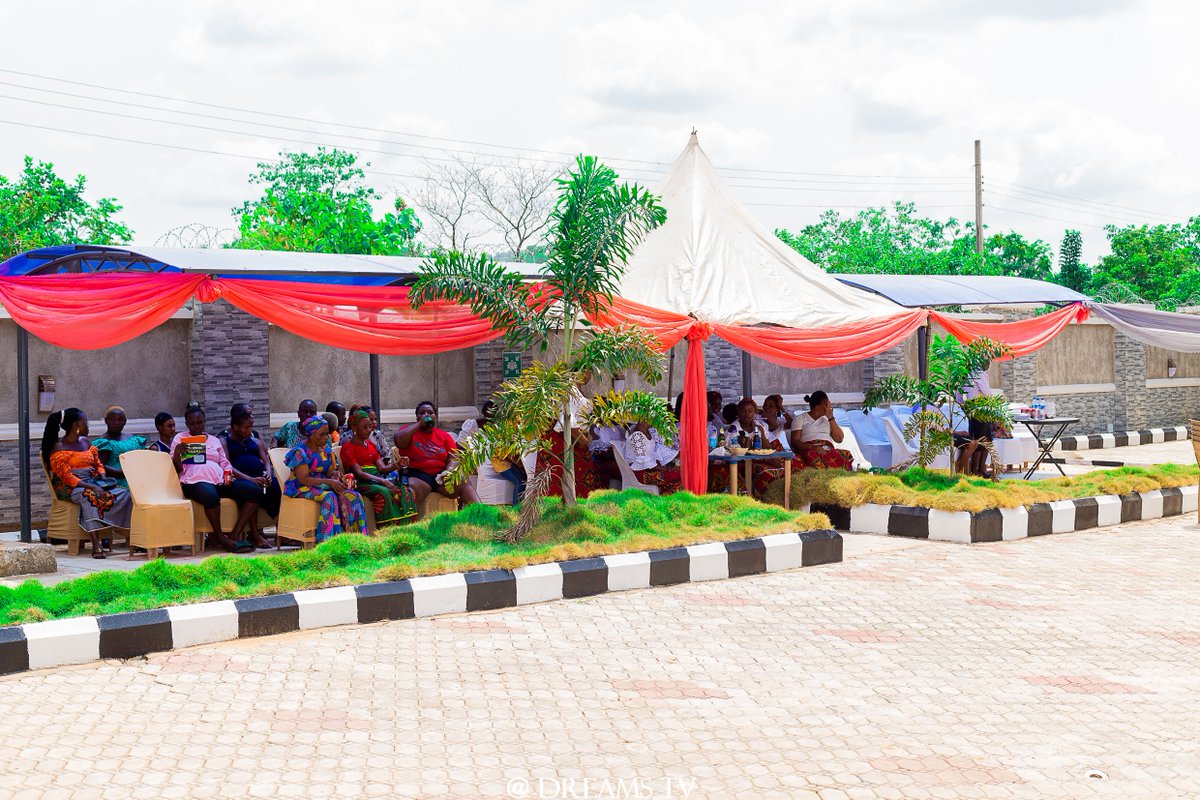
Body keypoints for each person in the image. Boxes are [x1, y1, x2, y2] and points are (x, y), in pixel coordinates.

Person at [41, 408, 133, 558]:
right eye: (85, 423)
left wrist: (103, 478)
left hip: (93, 481)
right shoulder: (59, 448)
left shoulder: (85, 442)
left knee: (125, 493)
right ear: (76, 425)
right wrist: (92, 486)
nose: (88, 426)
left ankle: (130, 537)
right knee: (89, 497)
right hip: (70, 487)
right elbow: (67, 478)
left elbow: (98, 464)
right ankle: (96, 544)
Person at [171, 404, 263, 553]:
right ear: (187, 424)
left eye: (200, 422)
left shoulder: (214, 440)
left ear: (204, 421)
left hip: (219, 480)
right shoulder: (180, 438)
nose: (196, 426)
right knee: (210, 496)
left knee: (254, 491)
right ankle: (220, 536)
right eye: (192, 423)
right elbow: (178, 469)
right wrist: (177, 454)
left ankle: (234, 533)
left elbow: (225, 463)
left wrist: (227, 475)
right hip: (194, 481)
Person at [284, 414, 368, 541]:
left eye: (327, 434)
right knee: (330, 497)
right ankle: (328, 540)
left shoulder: (324, 449)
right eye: (321, 435)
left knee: (354, 495)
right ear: (311, 435)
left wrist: (337, 475)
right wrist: (329, 481)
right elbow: (303, 479)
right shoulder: (300, 452)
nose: (326, 437)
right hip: (303, 487)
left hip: (323, 484)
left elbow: (329, 471)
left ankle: (356, 538)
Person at [393, 400, 480, 511]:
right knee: (412, 488)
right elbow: (399, 441)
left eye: (430, 413)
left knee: (464, 482)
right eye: (422, 413)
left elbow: (454, 457)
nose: (426, 415)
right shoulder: (408, 431)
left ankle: (482, 515)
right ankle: (414, 524)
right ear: (417, 417)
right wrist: (419, 424)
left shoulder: (444, 436)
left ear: (435, 416)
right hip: (417, 475)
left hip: (440, 475)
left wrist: (448, 471)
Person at [340, 409, 417, 526]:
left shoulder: (370, 445)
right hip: (362, 482)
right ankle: (388, 526)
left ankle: (406, 523)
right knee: (383, 491)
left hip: (377, 478)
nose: (369, 430)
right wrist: (384, 481)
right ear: (354, 428)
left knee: (406, 489)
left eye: (370, 426)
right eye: (364, 427)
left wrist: (398, 464)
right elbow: (359, 473)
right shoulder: (348, 448)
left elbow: (382, 468)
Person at [220, 408, 280, 545]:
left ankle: (283, 533)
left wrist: (268, 475)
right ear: (235, 427)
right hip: (240, 480)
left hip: (259, 479)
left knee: (279, 488)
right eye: (246, 427)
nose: (249, 430)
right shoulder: (225, 442)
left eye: (251, 427)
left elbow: (266, 462)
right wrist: (250, 479)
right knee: (253, 491)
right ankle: (254, 533)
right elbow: (227, 465)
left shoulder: (255, 441)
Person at [789, 391, 854, 470]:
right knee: (813, 456)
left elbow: (839, 439)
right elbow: (795, 441)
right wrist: (812, 447)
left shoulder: (828, 419)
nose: (829, 407)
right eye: (826, 404)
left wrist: (830, 417)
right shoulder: (800, 418)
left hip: (827, 448)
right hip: (809, 449)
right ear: (817, 406)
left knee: (844, 454)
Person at [91, 406, 147, 487]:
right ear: (106, 421)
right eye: (113, 419)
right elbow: (100, 466)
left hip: (138, 477)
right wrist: (124, 473)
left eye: (120, 420)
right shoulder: (103, 442)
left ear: (125, 421)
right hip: (117, 482)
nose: (116, 422)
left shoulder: (133, 438)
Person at [621, 422, 681, 493]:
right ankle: (666, 495)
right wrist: (666, 469)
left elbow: (652, 456)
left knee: (679, 472)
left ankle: (666, 494)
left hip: (648, 469)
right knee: (678, 474)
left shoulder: (647, 431)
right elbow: (645, 464)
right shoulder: (637, 436)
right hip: (639, 474)